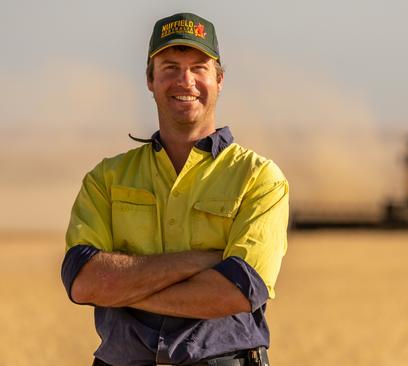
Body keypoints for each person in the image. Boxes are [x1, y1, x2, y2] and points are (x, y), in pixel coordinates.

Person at [61, 12, 288, 366]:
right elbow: (83, 281)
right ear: (150, 79)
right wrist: (201, 261)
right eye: (169, 67)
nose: (186, 80)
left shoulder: (259, 178)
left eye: (199, 67)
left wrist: (122, 290)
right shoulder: (107, 178)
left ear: (219, 79)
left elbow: (239, 290)